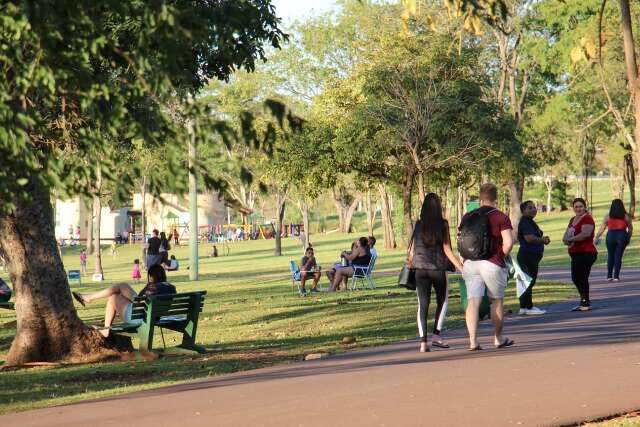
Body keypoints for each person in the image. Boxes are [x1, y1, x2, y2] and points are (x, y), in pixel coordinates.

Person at [460, 183, 514, 351]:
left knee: (473, 302)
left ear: (480, 197)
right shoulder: (500, 216)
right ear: (495, 197)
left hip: (470, 262)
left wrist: (464, 259)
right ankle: (498, 338)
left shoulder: (468, 215)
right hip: (492, 263)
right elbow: (509, 242)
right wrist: (500, 256)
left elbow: (461, 239)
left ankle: (473, 341)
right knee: (496, 301)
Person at [408, 193, 463, 353]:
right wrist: (461, 268)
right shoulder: (443, 224)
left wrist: (412, 262)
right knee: (443, 301)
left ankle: (423, 343)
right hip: (437, 269)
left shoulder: (418, 224)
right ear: (439, 208)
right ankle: (436, 336)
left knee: (423, 304)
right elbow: (447, 249)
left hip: (420, 270)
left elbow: (411, 250)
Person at [72, 264, 176, 338]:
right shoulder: (172, 288)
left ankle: (104, 327)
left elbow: (139, 302)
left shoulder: (152, 287)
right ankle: (89, 298)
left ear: (152, 276)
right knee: (121, 288)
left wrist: (146, 287)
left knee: (114, 296)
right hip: (154, 318)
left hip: (140, 318)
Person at [517, 201, 551, 315]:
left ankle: (526, 307)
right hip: (527, 255)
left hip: (531, 256)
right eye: (529, 208)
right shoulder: (525, 222)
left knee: (528, 281)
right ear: (523, 211)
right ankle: (526, 307)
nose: (533, 209)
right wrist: (543, 240)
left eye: (534, 207)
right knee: (528, 281)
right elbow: (529, 238)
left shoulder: (530, 222)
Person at [563, 198, 597, 311]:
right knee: (575, 278)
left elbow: (585, 234)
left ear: (585, 206)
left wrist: (571, 239)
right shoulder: (573, 219)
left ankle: (585, 303)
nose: (578, 209)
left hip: (586, 252)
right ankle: (584, 301)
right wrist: (565, 239)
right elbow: (567, 233)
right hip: (575, 253)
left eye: (580, 206)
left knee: (581, 277)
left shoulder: (587, 218)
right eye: (576, 207)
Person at [595, 199, 633, 281]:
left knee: (610, 255)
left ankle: (609, 276)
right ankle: (616, 276)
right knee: (618, 256)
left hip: (611, 236)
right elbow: (630, 229)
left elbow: (602, 228)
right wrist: (628, 238)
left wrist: (597, 237)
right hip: (622, 235)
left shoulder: (608, 216)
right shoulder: (626, 216)